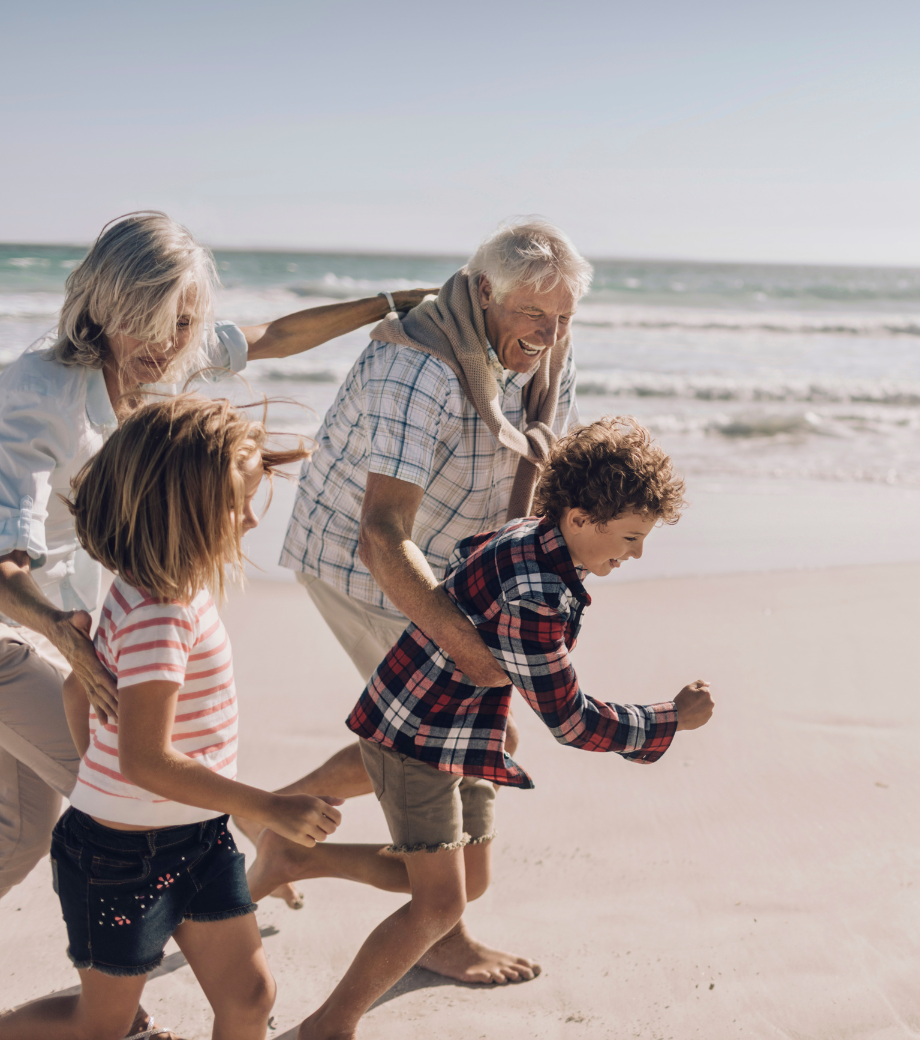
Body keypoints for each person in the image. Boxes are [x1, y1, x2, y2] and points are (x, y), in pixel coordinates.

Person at [0, 211, 430, 1039]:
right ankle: (124, 1004)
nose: (167, 347)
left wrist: (384, 303)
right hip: (26, 629)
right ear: (101, 304)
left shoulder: (170, 353)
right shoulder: (35, 394)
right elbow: (4, 562)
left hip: (94, 626)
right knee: (123, 797)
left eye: (183, 324)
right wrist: (64, 635)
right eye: (149, 323)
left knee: (19, 835)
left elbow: (268, 335)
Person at [292, 416, 715, 1040]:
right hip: (420, 734)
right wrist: (669, 719)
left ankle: (294, 857)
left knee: (468, 881)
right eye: (629, 537)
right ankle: (328, 1026)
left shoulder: (531, 535)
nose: (636, 554)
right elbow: (571, 722)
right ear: (577, 519)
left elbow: (469, 558)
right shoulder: (538, 597)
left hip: (457, 725)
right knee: (439, 905)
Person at [245, 219, 591, 982]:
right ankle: (442, 928)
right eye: (533, 312)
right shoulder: (420, 366)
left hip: (454, 559)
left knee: (455, 742)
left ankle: (282, 821)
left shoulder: (551, 345)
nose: (549, 331)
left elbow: (536, 463)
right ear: (481, 292)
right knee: (455, 740)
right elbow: (381, 533)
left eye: (563, 315)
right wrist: (466, 647)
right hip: (365, 563)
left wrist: (517, 594)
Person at [0, 395, 343, 1040]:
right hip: (120, 858)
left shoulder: (158, 587)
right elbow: (145, 760)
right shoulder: (160, 613)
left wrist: (100, 780)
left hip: (196, 837)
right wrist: (268, 807)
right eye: (235, 504)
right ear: (178, 509)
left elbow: (81, 692)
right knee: (101, 1023)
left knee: (250, 996)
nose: (248, 520)